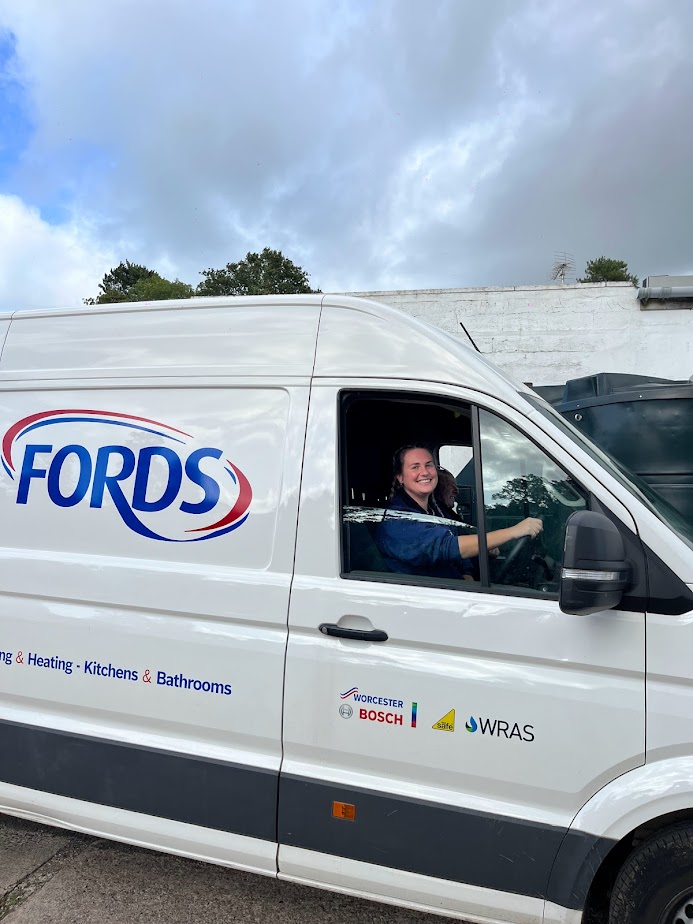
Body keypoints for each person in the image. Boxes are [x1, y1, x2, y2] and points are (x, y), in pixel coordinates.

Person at [376, 445, 542, 579]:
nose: (425, 472)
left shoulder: (435, 510)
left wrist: (466, 573)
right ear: (400, 477)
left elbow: (455, 541)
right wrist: (513, 531)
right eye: (415, 467)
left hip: (453, 588)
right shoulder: (396, 519)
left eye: (428, 465)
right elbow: (447, 547)